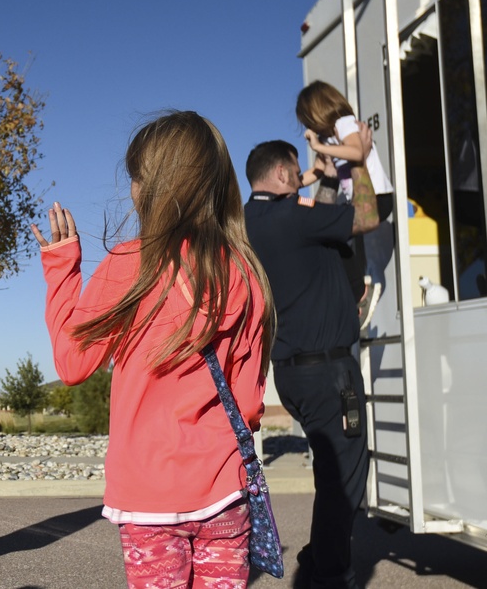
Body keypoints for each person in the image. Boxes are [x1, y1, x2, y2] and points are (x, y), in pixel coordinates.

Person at [32, 111, 274, 588]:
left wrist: (61, 269)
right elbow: (247, 404)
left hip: (147, 494)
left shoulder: (129, 266)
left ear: (155, 186)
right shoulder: (246, 273)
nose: (132, 190)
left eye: (136, 177)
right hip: (224, 488)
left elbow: (74, 364)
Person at [244, 133, 379, 589]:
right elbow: (367, 217)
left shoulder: (246, 221)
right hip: (330, 375)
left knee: (329, 470)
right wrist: (357, 163)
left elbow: (307, 209)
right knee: (344, 478)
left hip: (291, 375)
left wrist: (313, 175)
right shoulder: (292, 219)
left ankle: (321, 555)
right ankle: (330, 571)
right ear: (284, 174)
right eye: (295, 171)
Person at [296, 80, 395, 326]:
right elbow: (316, 171)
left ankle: (360, 292)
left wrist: (318, 146)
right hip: (357, 203)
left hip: (378, 198)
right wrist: (290, 184)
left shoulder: (345, 123)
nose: (307, 126)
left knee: (334, 233)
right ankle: (355, 292)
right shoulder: (327, 139)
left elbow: (356, 152)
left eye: (307, 119)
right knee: (332, 237)